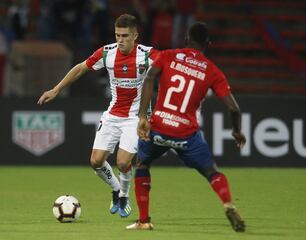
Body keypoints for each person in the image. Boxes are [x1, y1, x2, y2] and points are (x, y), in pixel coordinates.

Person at [126, 22, 246, 231]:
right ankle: (228, 204)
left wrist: (143, 116)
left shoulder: (168, 55)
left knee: (142, 164)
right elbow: (234, 108)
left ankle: (144, 221)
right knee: (211, 171)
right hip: (186, 134)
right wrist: (236, 132)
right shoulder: (213, 71)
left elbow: (150, 77)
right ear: (208, 44)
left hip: (159, 127)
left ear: (186, 40)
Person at [38, 14, 158, 218]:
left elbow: (172, 65)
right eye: (117, 35)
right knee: (96, 161)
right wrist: (56, 89)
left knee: (122, 162)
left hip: (134, 118)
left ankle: (124, 196)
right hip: (113, 114)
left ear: (135, 35)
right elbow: (80, 68)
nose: (120, 40)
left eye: (125, 35)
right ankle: (115, 188)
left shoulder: (148, 55)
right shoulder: (107, 53)